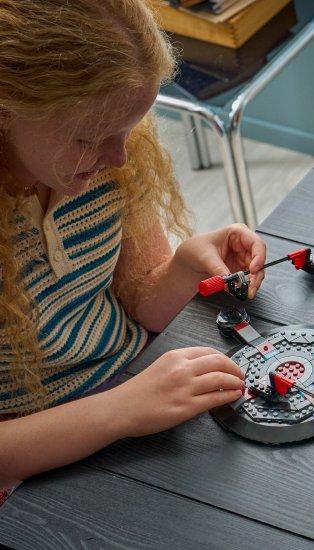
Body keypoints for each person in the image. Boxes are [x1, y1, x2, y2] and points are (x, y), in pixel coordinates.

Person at [0, 0, 266, 491]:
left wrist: (184, 267)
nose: (119, 157)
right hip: (34, 459)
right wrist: (120, 410)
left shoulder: (112, 157)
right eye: (88, 138)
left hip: (135, 384)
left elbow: (141, 303)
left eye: (130, 128)